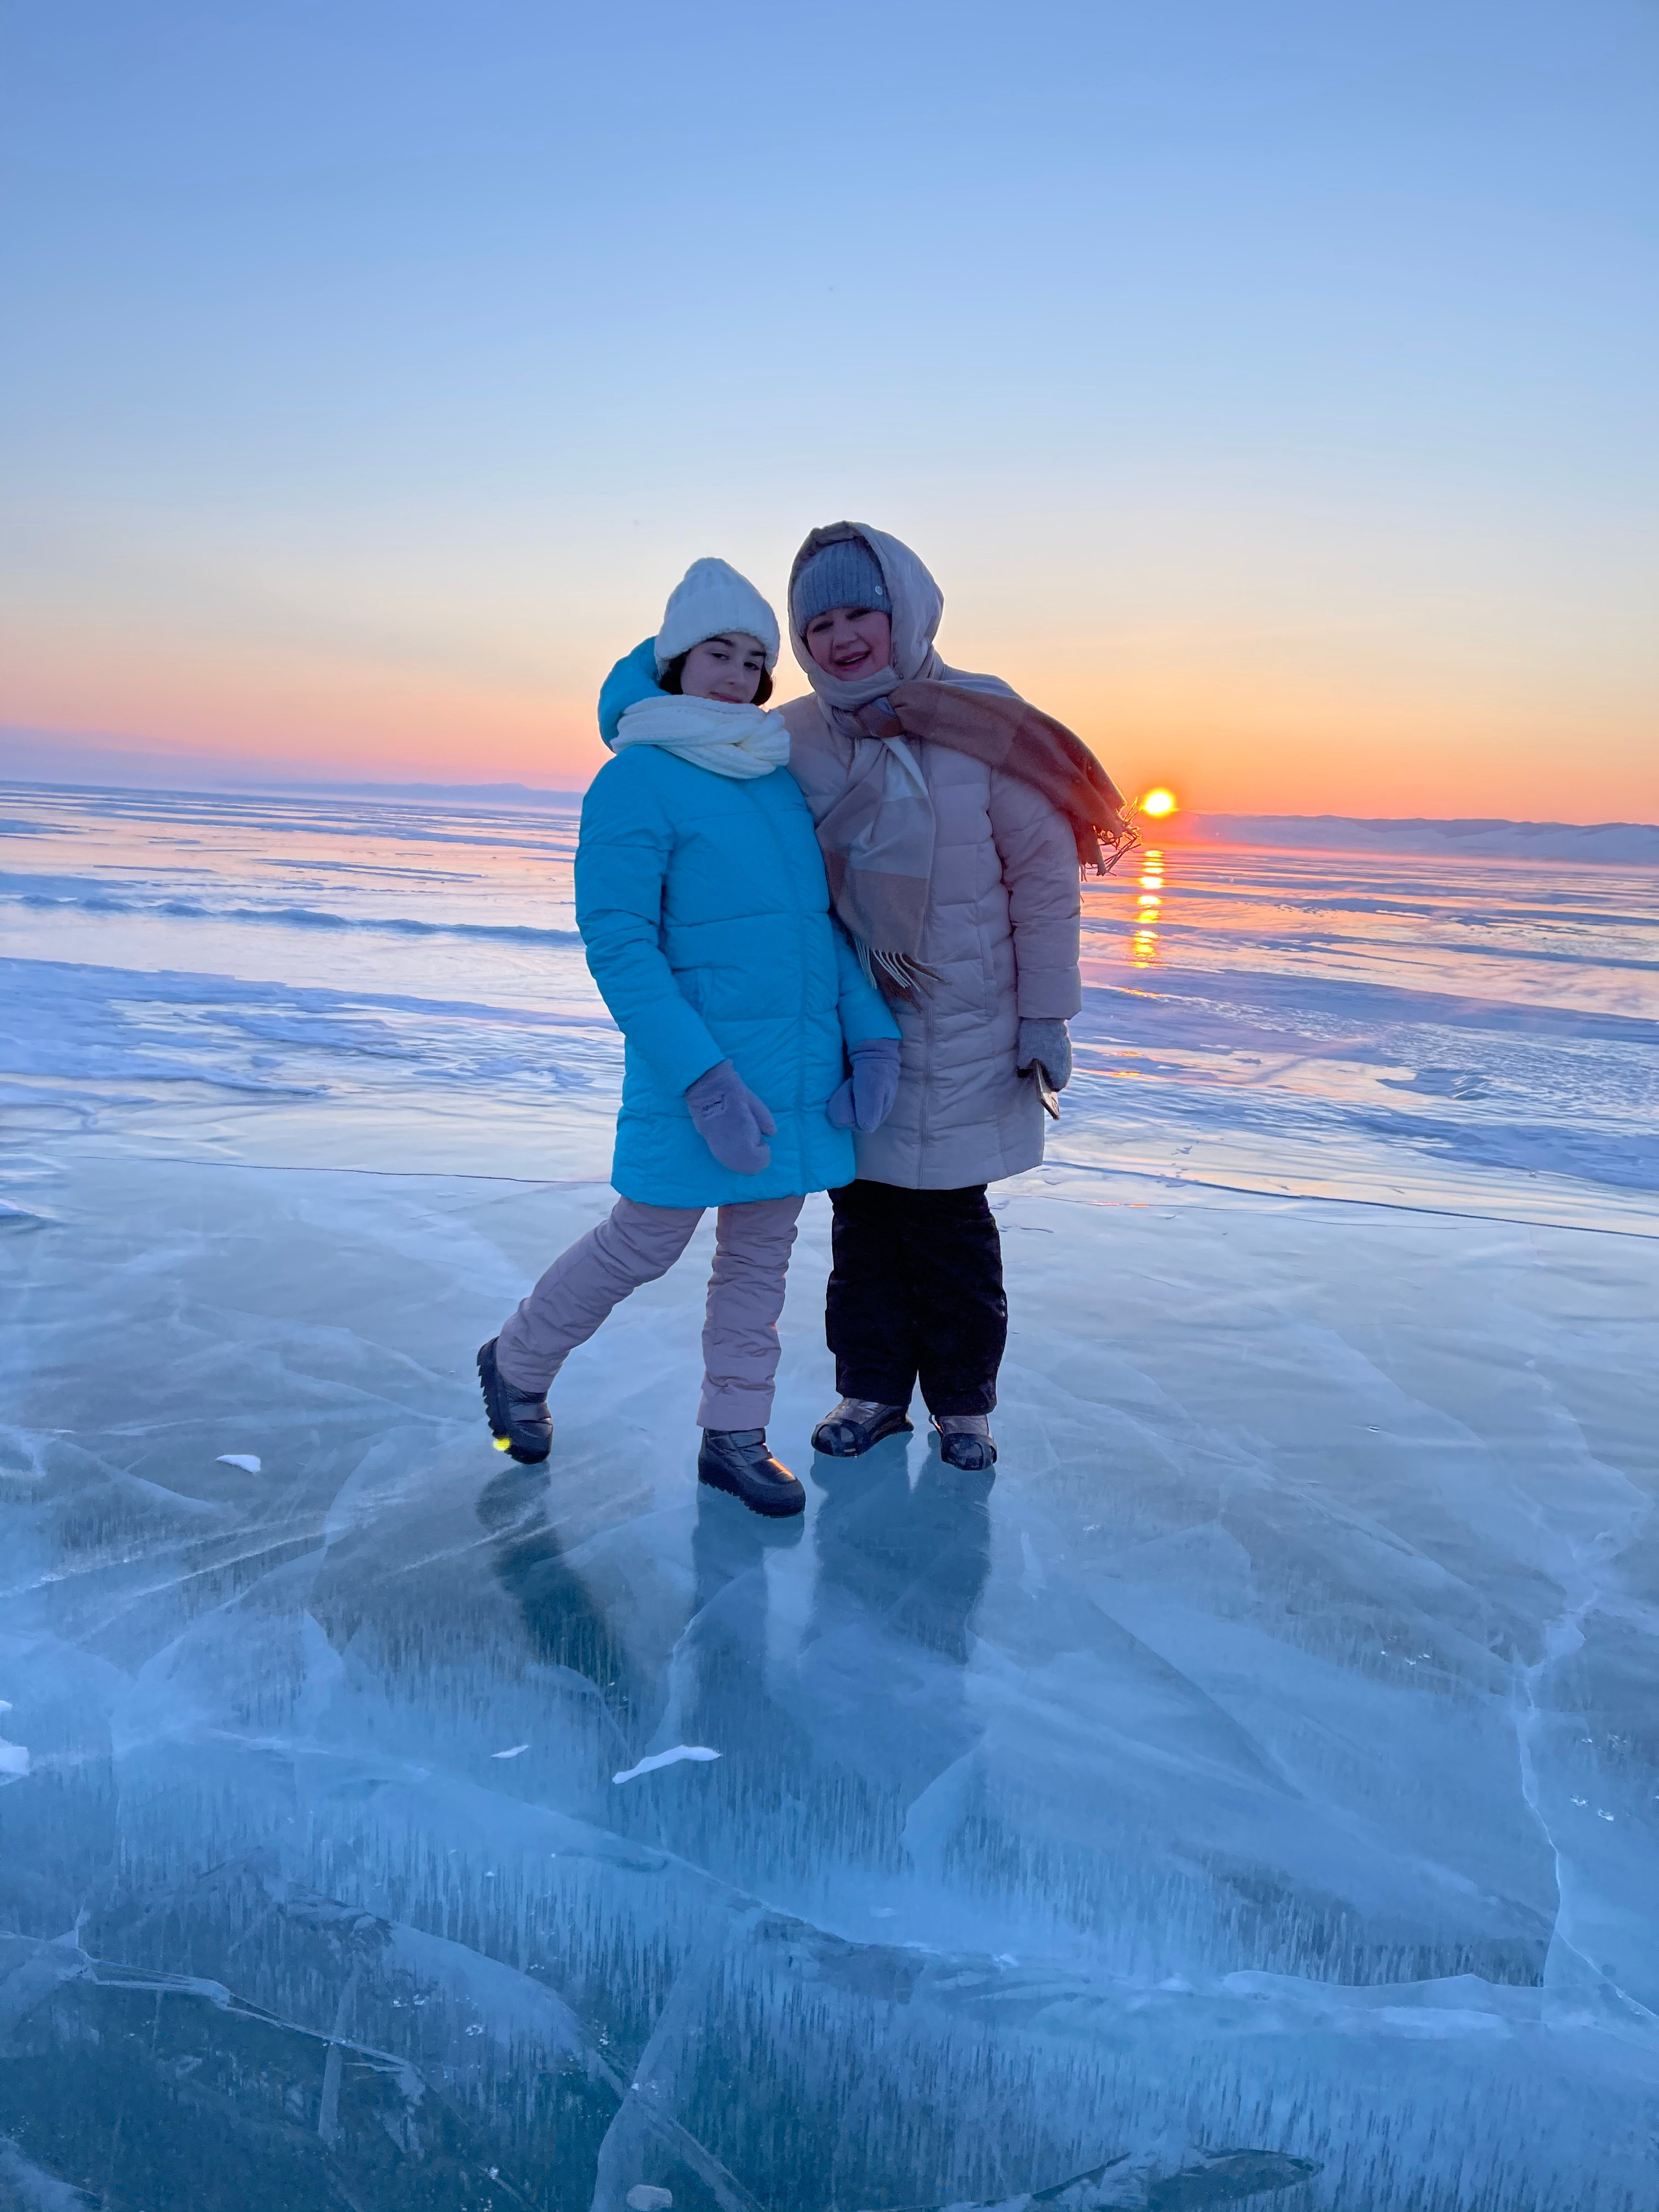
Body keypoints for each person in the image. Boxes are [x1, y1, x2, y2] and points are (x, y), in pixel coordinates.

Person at [478, 557, 901, 1518]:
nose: (741, 674)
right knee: (646, 1240)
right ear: (676, 661)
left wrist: (872, 1040)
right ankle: (518, 1361)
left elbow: (815, 930)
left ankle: (735, 1438)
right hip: (697, 1073)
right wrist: (706, 1082)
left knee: (761, 1259)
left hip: (795, 1071)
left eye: (756, 659)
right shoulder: (636, 780)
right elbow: (621, 947)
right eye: (720, 652)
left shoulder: (770, 775)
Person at [780, 523, 1133, 1473]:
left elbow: (1045, 879)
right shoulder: (797, 739)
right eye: (820, 622)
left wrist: (1046, 1014)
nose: (842, 636)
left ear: (908, 608)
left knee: (952, 1234)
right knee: (861, 1229)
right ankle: (870, 1394)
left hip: (972, 1024)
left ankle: (965, 1408)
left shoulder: (982, 720)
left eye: (862, 610)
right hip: (857, 1022)